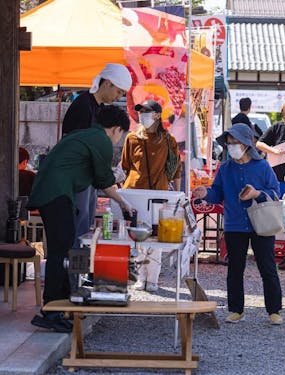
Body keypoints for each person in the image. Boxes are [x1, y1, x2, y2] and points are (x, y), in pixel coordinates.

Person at [28, 105, 134, 333]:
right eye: (121, 135)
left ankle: (62, 304)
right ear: (116, 129)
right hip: (56, 194)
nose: (118, 140)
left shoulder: (85, 134)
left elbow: (95, 178)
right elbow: (104, 180)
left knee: (62, 249)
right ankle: (51, 311)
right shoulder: (101, 141)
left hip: (51, 193)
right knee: (60, 251)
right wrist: (124, 203)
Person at [192, 123, 283, 325]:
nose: (231, 146)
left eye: (235, 143)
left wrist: (257, 194)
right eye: (229, 143)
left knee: (267, 267)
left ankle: (274, 310)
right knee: (235, 268)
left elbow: (276, 193)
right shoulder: (225, 168)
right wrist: (206, 193)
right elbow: (217, 193)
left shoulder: (263, 166)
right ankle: (235, 309)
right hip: (234, 224)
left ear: (246, 143)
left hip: (262, 224)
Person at [62, 63, 132, 249]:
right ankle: (73, 274)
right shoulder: (83, 106)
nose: (119, 97)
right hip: (76, 177)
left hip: (86, 177)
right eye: (118, 91)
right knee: (78, 229)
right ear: (107, 83)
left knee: (85, 226)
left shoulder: (97, 107)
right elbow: (77, 149)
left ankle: (79, 272)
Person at [121, 100, 182, 292]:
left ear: (157, 115)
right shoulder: (131, 138)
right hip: (135, 191)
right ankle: (141, 276)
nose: (142, 115)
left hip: (160, 192)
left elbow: (176, 169)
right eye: (141, 112)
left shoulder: (168, 139)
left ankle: (153, 279)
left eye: (147, 112)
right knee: (138, 235)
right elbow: (125, 166)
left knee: (157, 236)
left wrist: (178, 197)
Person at [256, 100, 285, 270]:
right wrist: (274, 150)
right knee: (272, 214)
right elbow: (259, 143)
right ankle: (267, 251)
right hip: (275, 176)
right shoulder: (276, 127)